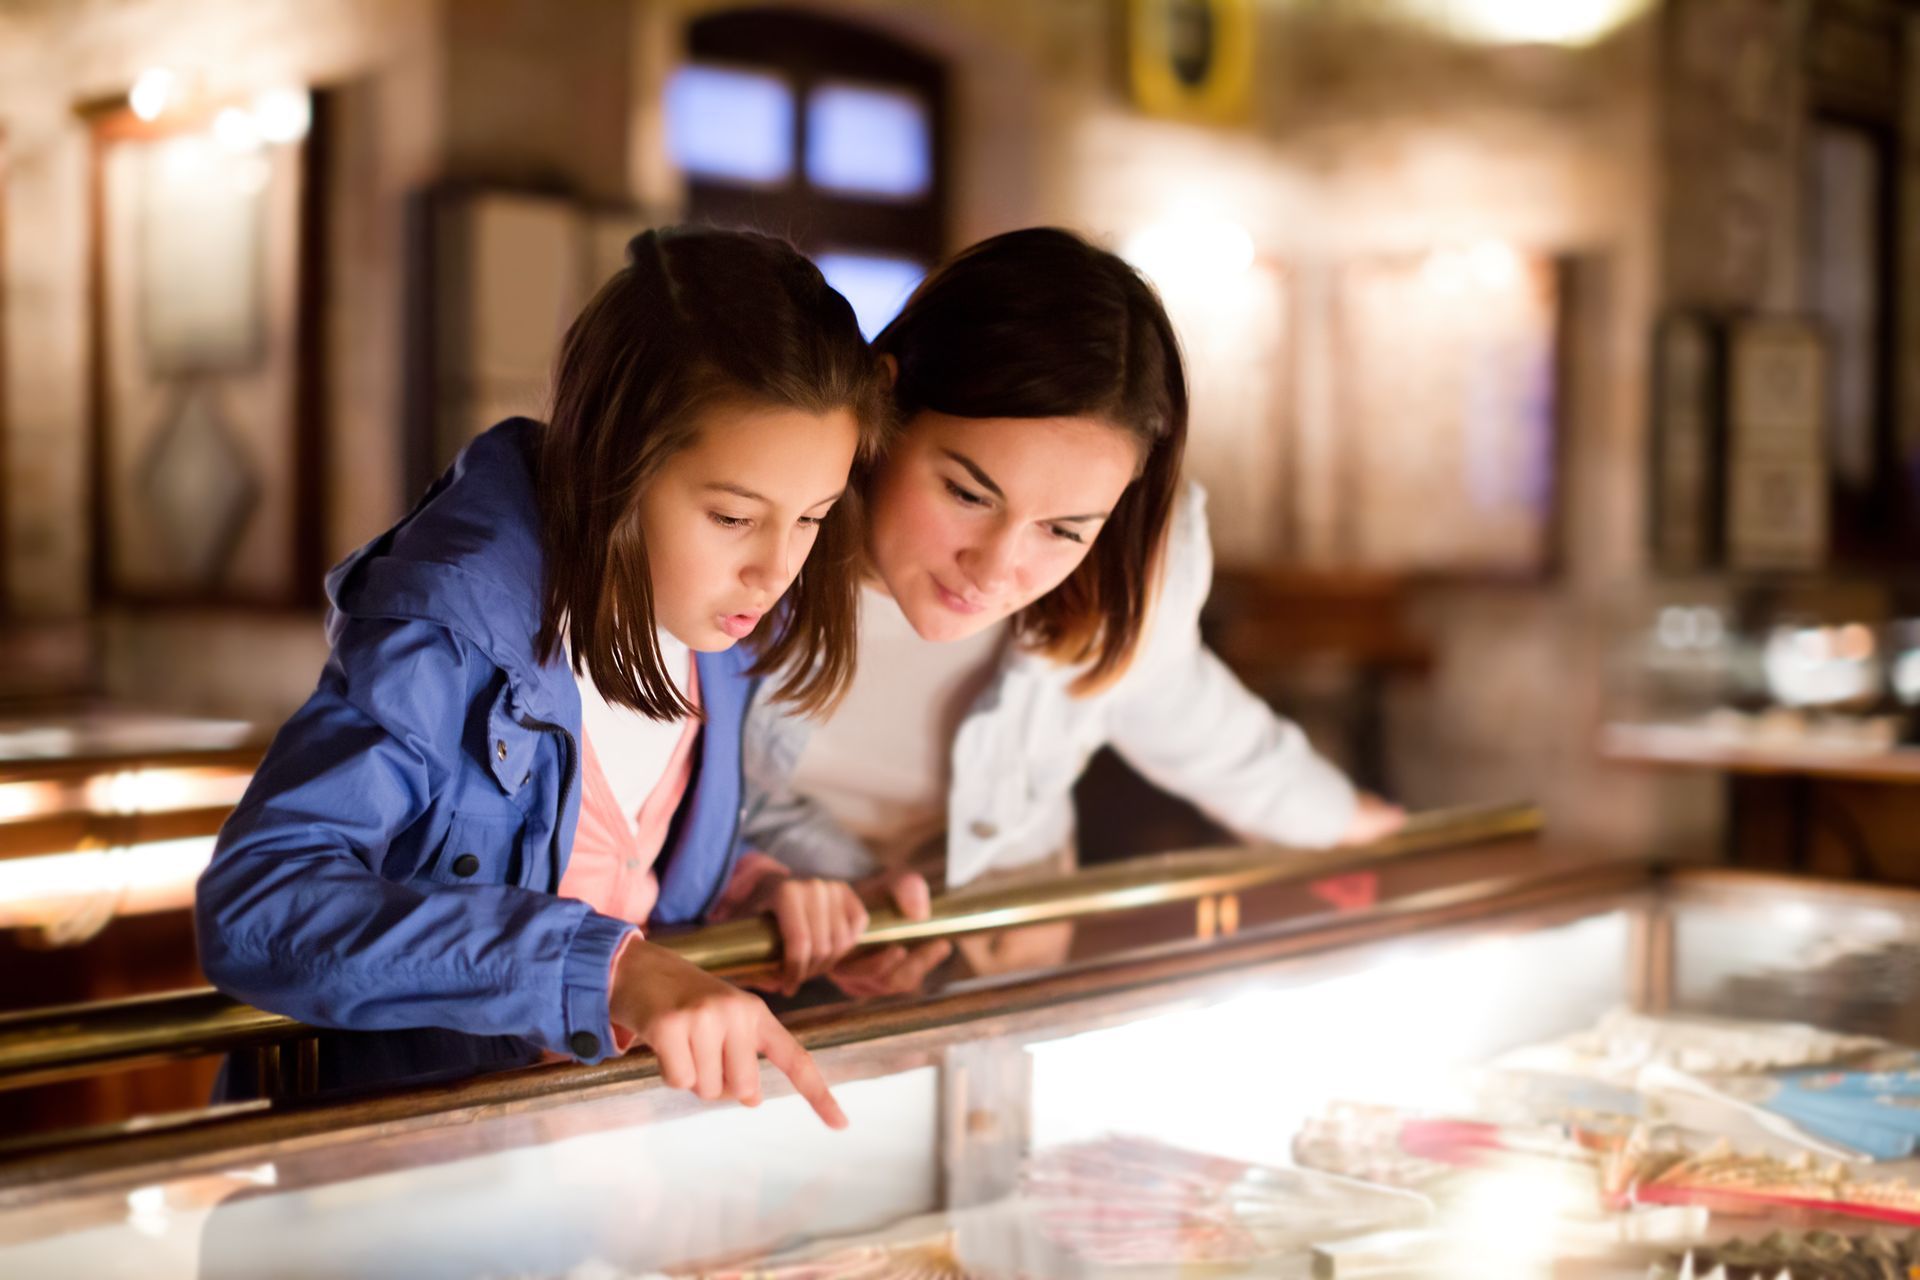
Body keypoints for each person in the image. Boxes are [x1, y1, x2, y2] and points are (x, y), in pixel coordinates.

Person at [195, 228, 893, 1123]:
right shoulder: (452, 638)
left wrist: (761, 894)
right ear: (614, 463)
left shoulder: (723, 636)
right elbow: (261, 905)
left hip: (584, 1159)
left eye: (812, 519)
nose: (776, 570)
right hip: (399, 1170)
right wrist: (602, 970)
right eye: (730, 516)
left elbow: (620, 869)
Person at [740, 227, 1405, 991]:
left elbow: (1190, 716)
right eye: (966, 493)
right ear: (886, 402)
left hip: (999, 969)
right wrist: (834, 892)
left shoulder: (1126, 572)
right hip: (762, 959)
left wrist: (1357, 827)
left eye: (1064, 530)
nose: (995, 568)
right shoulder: (757, 532)